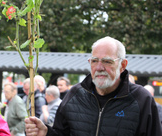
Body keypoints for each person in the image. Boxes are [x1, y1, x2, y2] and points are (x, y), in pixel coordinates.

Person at [25, 36, 162, 136]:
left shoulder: (141, 99)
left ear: (123, 65)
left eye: (107, 61)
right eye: (94, 61)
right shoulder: (74, 94)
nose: (99, 67)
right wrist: (46, 133)